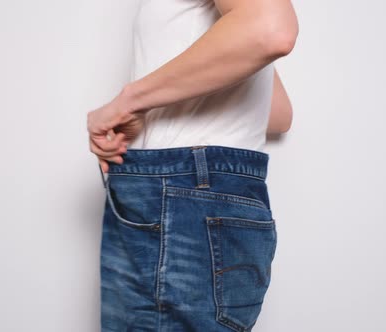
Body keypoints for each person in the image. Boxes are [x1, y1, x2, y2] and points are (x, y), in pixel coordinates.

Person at [87, 0, 298, 330]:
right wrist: (152, 117)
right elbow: (277, 112)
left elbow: (270, 30)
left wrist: (128, 103)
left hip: (181, 189)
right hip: (199, 188)